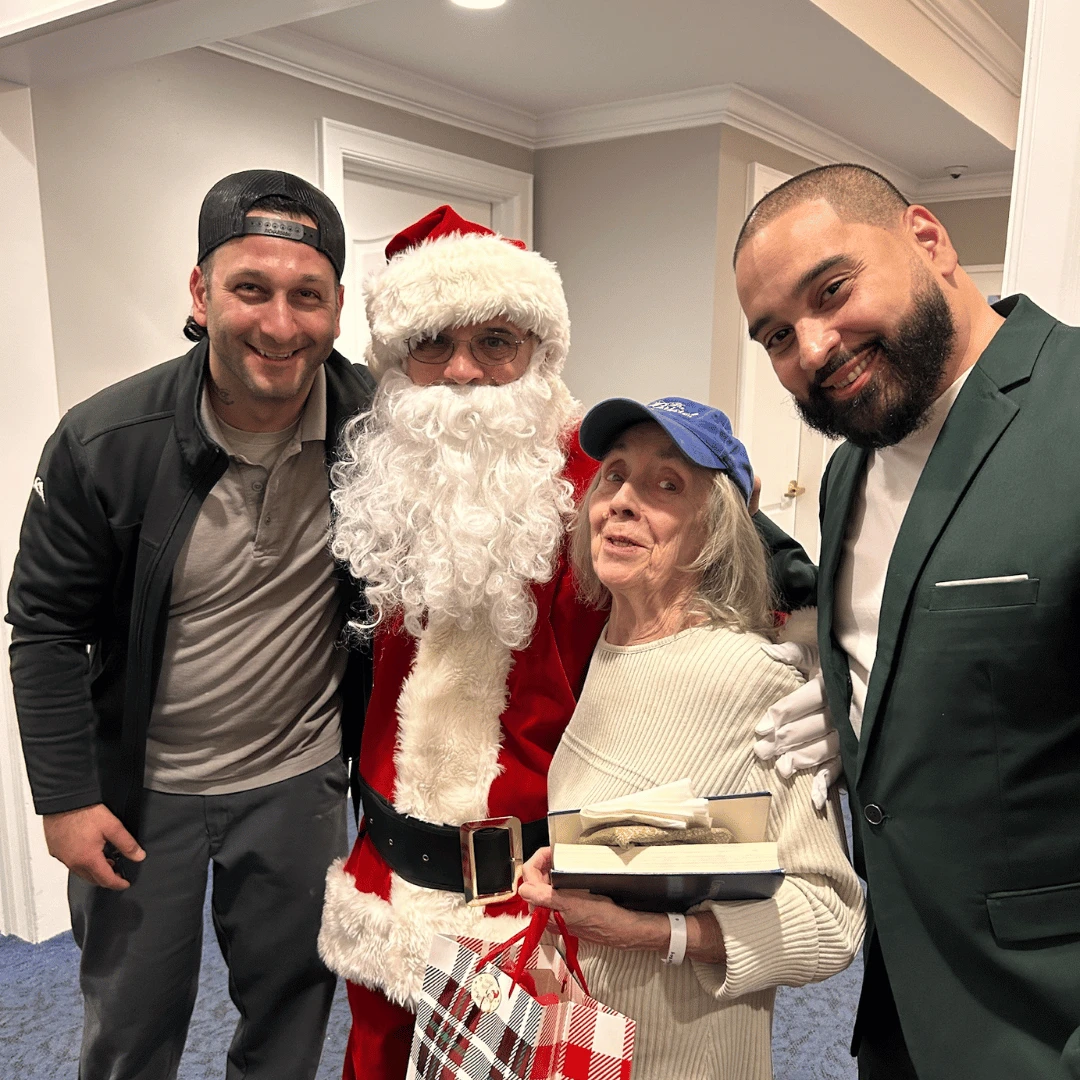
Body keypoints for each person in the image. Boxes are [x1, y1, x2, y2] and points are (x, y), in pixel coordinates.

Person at [317, 205, 825, 1079]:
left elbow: (745, 545)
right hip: (381, 888)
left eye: (498, 341)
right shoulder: (375, 478)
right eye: (433, 341)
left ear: (540, 354)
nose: (465, 372)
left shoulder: (600, 486)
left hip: (532, 905)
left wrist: (819, 646)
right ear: (397, 362)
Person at [6, 170, 374, 1080]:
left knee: (292, 1017)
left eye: (307, 296)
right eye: (250, 288)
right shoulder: (104, 443)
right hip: (145, 795)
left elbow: (527, 457)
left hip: (299, 783)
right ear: (201, 293)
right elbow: (45, 623)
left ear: (337, 307)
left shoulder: (380, 427)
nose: (280, 325)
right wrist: (63, 795)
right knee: (130, 1029)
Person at [733, 162, 1080, 1080]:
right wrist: (861, 725)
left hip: (1044, 1022)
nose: (809, 347)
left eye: (832, 290)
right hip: (900, 1008)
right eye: (774, 335)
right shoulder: (852, 468)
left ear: (928, 240)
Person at [519, 395, 864, 1080]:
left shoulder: (745, 678)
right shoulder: (608, 652)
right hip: (587, 1038)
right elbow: (643, 839)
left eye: (665, 485)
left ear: (714, 529)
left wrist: (661, 934)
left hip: (684, 1058)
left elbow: (831, 919)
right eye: (613, 475)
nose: (621, 500)